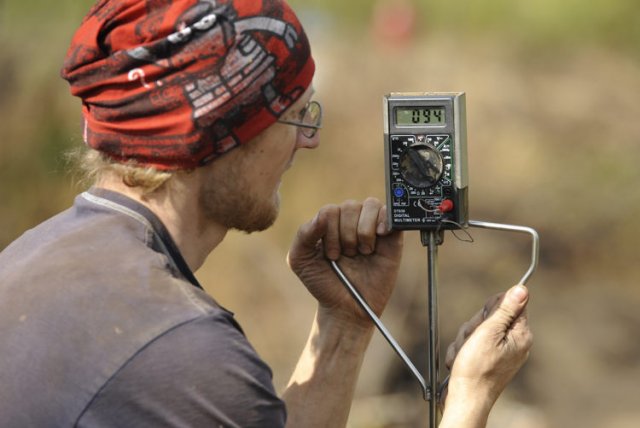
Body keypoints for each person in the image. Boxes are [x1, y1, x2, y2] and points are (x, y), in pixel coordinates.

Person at [0, 0, 532, 427]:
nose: (311, 141)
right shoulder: (183, 353)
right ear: (225, 131)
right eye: (297, 116)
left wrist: (345, 326)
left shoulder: (29, 257)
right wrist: (469, 399)